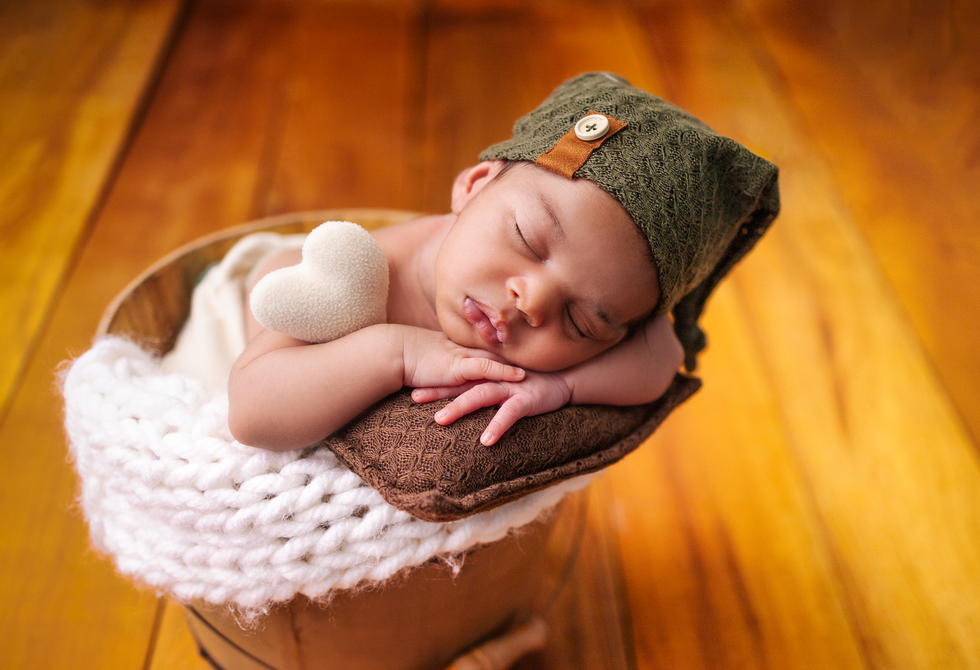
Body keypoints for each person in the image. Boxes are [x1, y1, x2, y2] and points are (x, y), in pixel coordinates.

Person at [228, 73, 779, 451]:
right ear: (473, 185)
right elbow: (253, 413)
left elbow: (663, 355)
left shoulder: (604, 326)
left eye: (581, 321)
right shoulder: (366, 276)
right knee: (274, 271)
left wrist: (560, 389)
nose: (533, 300)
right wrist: (399, 353)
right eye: (528, 240)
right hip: (254, 324)